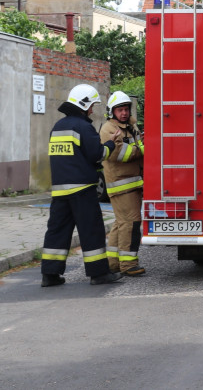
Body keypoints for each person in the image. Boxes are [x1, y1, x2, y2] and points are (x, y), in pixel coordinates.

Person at [40, 85, 124, 286]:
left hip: (60, 190)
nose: (92, 110)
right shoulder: (83, 127)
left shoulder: (57, 127)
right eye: (92, 106)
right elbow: (97, 155)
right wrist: (110, 144)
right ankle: (99, 274)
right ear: (84, 104)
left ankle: (50, 275)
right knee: (91, 230)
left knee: (57, 231)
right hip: (82, 189)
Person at [99, 91, 146, 276]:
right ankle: (128, 265)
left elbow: (135, 146)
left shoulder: (130, 127)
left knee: (120, 224)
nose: (124, 113)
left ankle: (113, 264)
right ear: (112, 111)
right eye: (120, 110)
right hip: (120, 185)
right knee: (131, 223)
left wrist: (139, 146)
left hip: (131, 183)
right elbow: (120, 154)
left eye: (126, 109)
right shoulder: (108, 129)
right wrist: (142, 148)